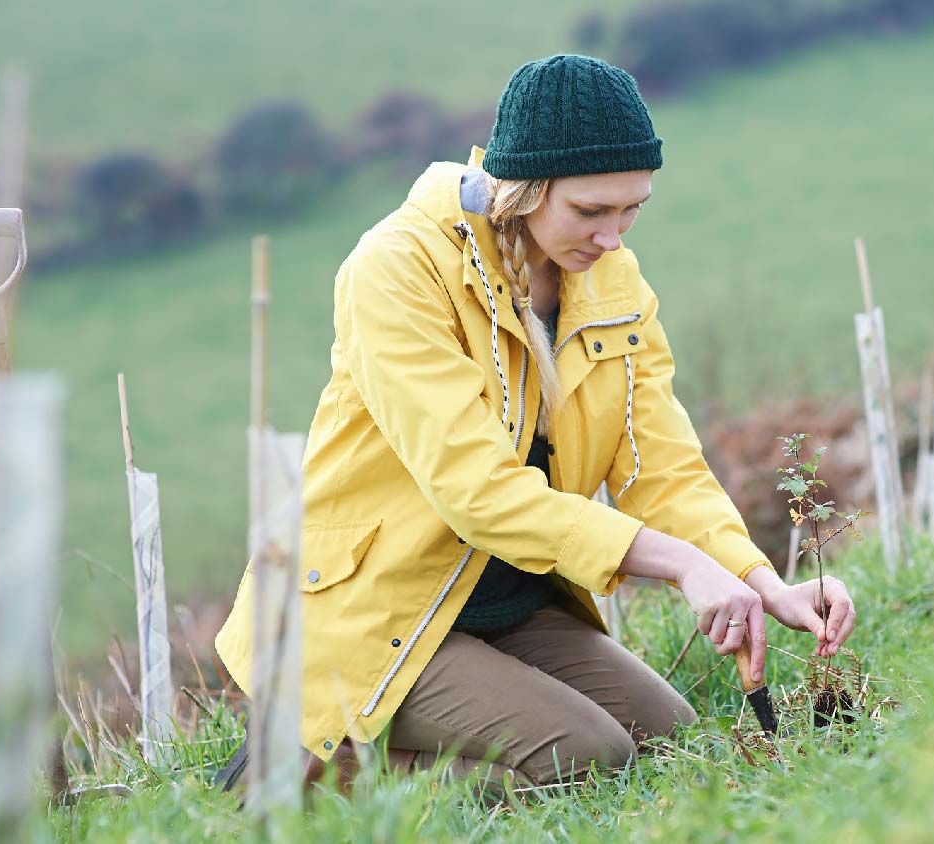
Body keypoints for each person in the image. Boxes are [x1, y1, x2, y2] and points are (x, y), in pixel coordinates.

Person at [214, 54, 857, 793]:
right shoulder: (396, 269)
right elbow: (477, 492)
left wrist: (756, 579)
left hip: (507, 601)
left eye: (632, 208)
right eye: (590, 211)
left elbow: (662, 469)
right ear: (522, 191)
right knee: (586, 758)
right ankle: (292, 773)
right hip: (375, 608)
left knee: (668, 739)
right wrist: (682, 564)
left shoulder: (612, 278)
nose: (613, 237)